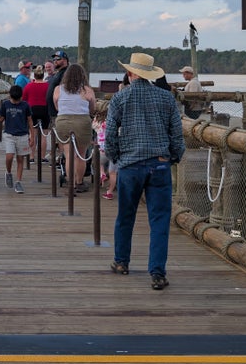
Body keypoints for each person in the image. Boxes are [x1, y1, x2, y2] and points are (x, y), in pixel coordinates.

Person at [107, 52, 185, 291]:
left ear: (130, 73)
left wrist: (117, 157)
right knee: (159, 220)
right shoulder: (166, 98)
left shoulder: (120, 98)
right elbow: (176, 135)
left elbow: (110, 135)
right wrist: (173, 156)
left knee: (125, 216)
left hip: (130, 165)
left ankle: (122, 262)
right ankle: (158, 273)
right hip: (159, 164)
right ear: (150, 75)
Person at [53, 63, 97, 192]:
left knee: (69, 155)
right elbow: (92, 108)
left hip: (63, 120)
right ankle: (79, 182)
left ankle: (70, 184)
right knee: (81, 154)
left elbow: (57, 106)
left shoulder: (58, 89)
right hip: (82, 121)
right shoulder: (87, 90)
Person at [0, 84, 33, 194]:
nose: (16, 102)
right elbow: (1, 119)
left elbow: (29, 121)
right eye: (14, 100)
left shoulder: (25, 105)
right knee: (9, 156)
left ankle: (18, 182)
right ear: (10, 96)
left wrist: (32, 135)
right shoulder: (5, 104)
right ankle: (8, 172)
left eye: (18, 100)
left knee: (20, 159)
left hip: (23, 135)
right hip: (9, 134)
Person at [22, 65, 50, 159]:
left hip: (32, 110)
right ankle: (42, 157)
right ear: (43, 75)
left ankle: (31, 156)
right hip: (45, 110)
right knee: (44, 136)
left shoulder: (29, 86)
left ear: (34, 75)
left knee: (32, 134)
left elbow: (24, 99)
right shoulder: (47, 86)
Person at [93, 108, 116, 200]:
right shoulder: (115, 120)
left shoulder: (97, 121)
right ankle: (110, 192)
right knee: (113, 173)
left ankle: (102, 173)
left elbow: (93, 128)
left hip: (102, 149)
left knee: (98, 163)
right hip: (114, 149)